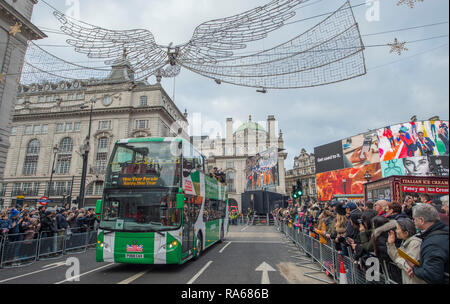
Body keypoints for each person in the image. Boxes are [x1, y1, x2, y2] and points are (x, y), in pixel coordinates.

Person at [408, 203, 449, 284]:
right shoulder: (444, 230)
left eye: (414, 219)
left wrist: (414, 267)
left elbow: (432, 275)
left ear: (421, 220)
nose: (413, 222)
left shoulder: (433, 243)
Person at [387, 218, 425, 284]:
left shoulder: (415, 244)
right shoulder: (405, 242)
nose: (396, 231)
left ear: (406, 233)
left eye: (398, 229)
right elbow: (397, 257)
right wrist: (391, 244)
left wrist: (398, 260)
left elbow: (409, 265)